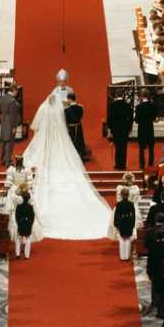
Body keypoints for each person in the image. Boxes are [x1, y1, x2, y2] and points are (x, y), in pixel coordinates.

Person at [22, 68, 112, 239]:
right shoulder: (55, 92)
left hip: (63, 121)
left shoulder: (69, 91)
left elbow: (65, 104)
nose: (62, 84)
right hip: (59, 122)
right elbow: (53, 105)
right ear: (57, 81)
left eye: (63, 81)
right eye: (60, 81)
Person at [0, 82, 21, 168]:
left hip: (3, 122)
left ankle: (2, 160)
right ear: (14, 90)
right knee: (9, 144)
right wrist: (14, 127)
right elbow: (13, 116)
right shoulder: (13, 102)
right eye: (17, 91)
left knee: (3, 142)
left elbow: (0, 109)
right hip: (10, 124)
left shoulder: (3, 98)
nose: (17, 93)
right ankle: (7, 162)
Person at [108, 95, 133, 171]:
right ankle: (123, 164)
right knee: (124, 147)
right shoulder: (127, 105)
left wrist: (110, 129)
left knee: (117, 147)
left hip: (116, 129)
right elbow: (131, 119)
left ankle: (118, 164)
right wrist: (129, 129)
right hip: (124, 129)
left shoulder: (112, 105)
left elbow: (110, 118)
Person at [113, 186, 137, 261]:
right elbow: (133, 216)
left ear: (121, 195)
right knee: (128, 239)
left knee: (121, 239)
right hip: (129, 222)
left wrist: (116, 224)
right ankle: (127, 256)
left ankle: (122, 257)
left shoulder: (119, 204)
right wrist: (133, 224)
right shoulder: (131, 204)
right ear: (128, 195)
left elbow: (116, 215)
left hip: (121, 222)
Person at [135, 92, 156, 170]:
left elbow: (136, 120)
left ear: (141, 97)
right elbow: (154, 118)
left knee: (141, 148)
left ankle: (142, 165)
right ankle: (150, 163)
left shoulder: (138, 107)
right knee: (151, 148)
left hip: (141, 129)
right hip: (150, 128)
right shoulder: (152, 106)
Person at [64, 92, 87, 160]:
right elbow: (81, 116)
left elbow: (66, 120)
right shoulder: (81, 107)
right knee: (79, 141)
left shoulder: (66, 109)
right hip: (79, 127)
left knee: (72, 142)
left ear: (70, 99)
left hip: (71, 128)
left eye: (67, 99)